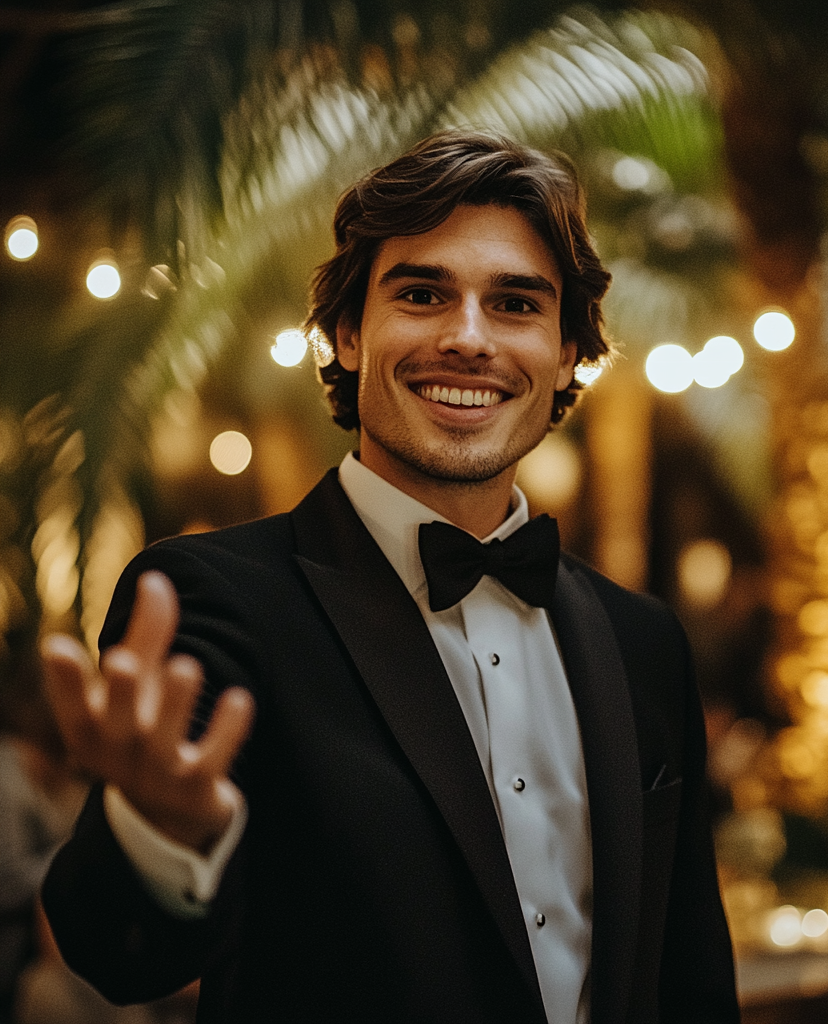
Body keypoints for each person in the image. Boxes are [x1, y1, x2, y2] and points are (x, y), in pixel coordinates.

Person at [40, 131, 739, 1024]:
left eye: (516, 304)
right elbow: (118, 955)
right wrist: (160, 835)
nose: (468, 338)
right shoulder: (208, 599)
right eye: (421, 293)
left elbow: (691, 983)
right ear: (346, 333)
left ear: (568, 354)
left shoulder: (643, 640)